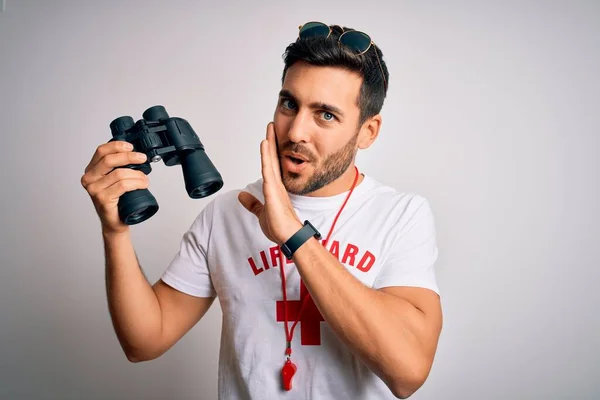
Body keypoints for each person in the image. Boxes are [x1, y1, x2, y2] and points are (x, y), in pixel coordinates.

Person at [81, 21, 443, 400]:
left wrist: (294, 236)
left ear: (368, 131)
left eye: (326, 115)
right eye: (290, 104)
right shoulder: (228, 212)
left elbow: (408, 372)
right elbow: (145, 341)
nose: (296, 131)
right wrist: (115, 231)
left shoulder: (401, 215)